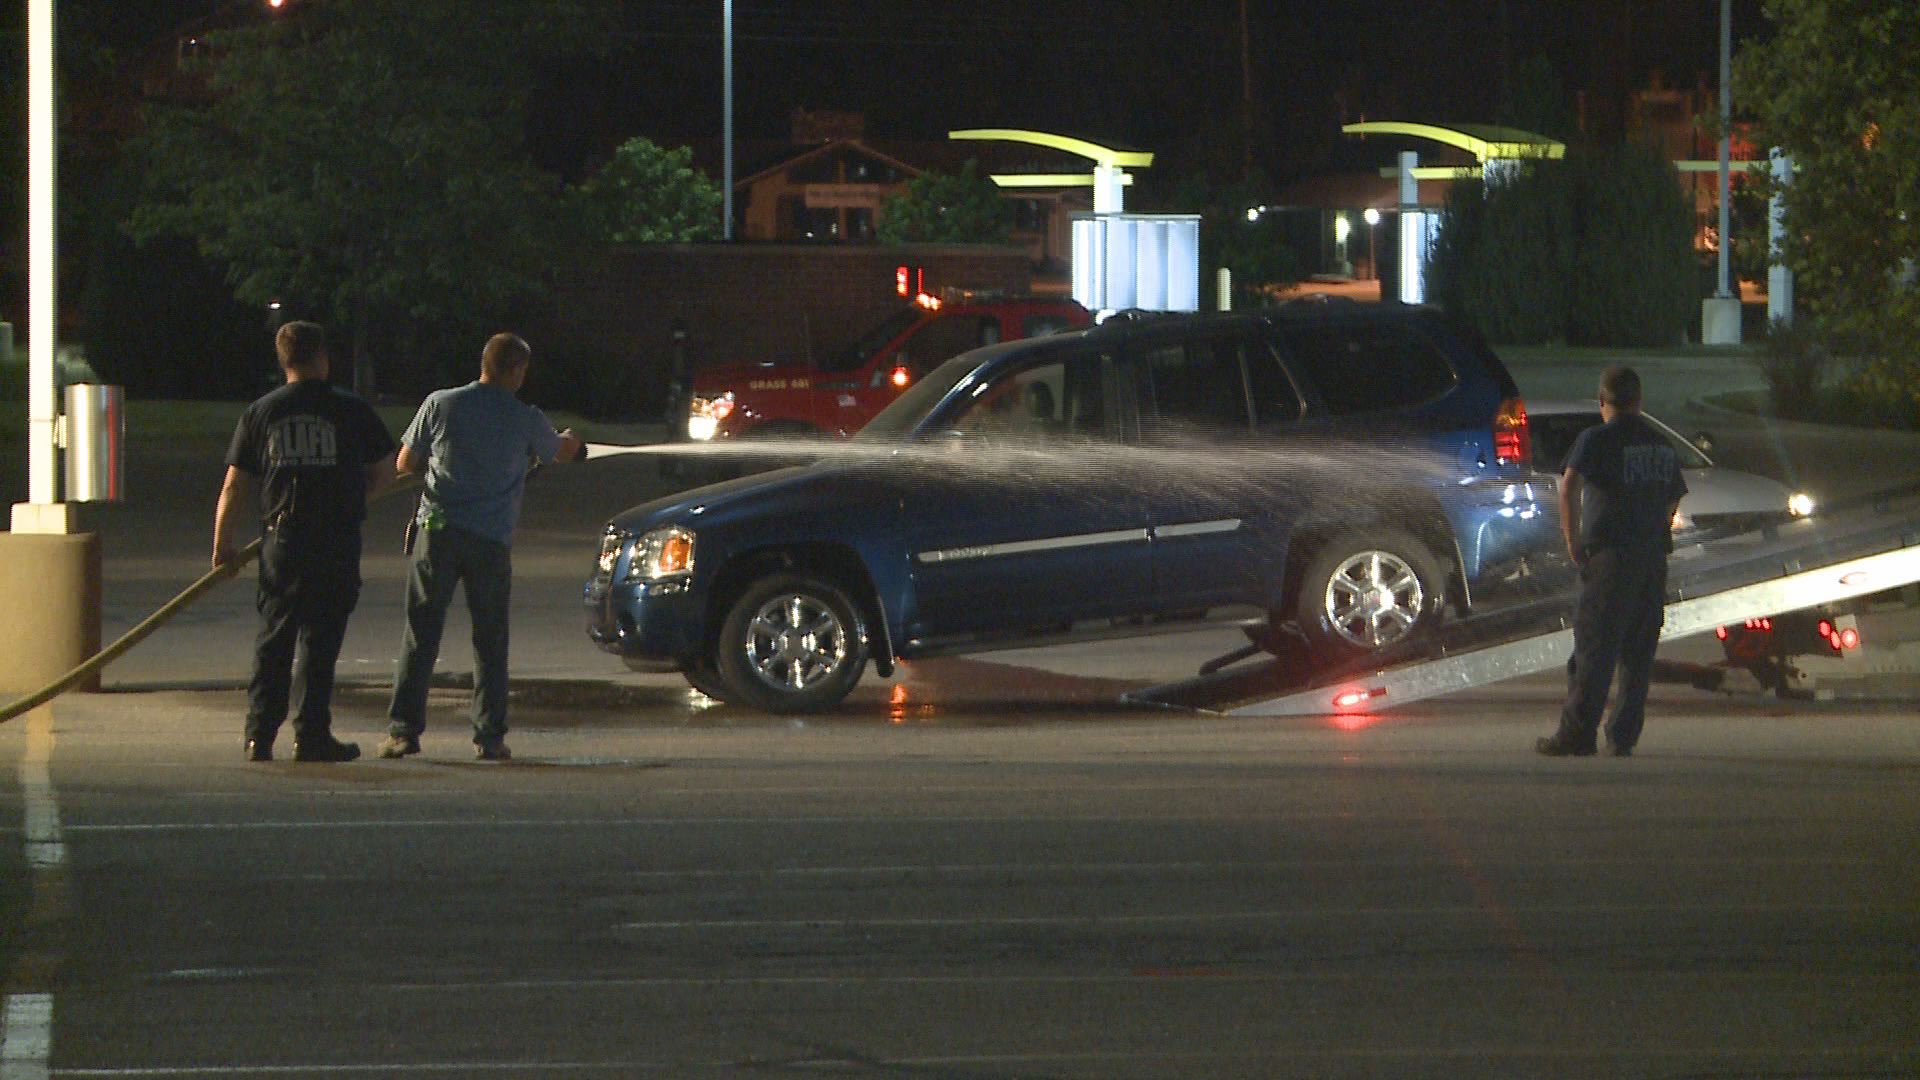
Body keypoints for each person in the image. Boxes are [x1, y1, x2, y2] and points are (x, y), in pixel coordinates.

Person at [379, 332, 584, 761]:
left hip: (437, 531)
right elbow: (560, 453)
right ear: (516, 370)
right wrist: (571, 440)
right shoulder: (525, 417)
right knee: (490, 639)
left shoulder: (441, 403)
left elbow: (405, 463)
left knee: (421, 634)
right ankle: (489, 736)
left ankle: (403, 732)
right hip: (490, 541)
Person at [214, 321, 398, 762]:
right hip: (335, 539)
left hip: (282, 540)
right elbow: (387, 470)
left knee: (274, 637)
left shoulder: (262, 411)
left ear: (284, 362)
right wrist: (357, 492)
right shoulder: (349, 409)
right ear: (321, 357)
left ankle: (259, 736)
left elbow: (234, 485)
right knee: (320, 641)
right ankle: (311, 735)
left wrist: (223, 545)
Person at [1537, 365, 1688, 758]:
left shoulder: (1596, 439)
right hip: (1653, 558)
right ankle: (1623, 736)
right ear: (1639, 402)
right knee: (1639, 652)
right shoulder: (1660, 443)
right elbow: (1674, 496)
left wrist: (1572, 539)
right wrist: (1655, 524)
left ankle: (1577, 735)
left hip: (1611, 557)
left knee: (1595, 648)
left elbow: (1570, 484)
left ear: (1602, 402)